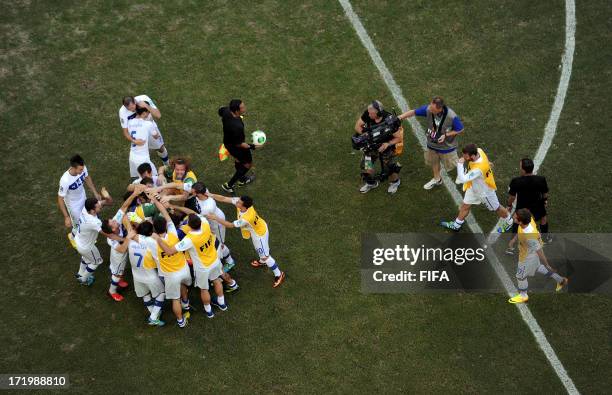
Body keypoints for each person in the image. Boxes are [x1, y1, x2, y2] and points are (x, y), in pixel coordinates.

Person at [155, 212, 228, 319]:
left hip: (203, 268)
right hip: (214, 261)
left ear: (189, 225)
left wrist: (158, 239)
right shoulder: (205, 224)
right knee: (216, 280)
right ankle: (222, 304)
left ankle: (209, 311)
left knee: (204, 289)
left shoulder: (189, 240)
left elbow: (170, 251)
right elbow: (197, 215)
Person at [207, 193, 286, 288]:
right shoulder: (241, 203)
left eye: (239, 202)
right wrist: (210, 194)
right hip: (257, 227)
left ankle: (278, 274)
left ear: (243, 206)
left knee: (266, 256)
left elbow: (230, 225)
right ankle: (262, 261)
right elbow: (224, 198)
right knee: (262, 254)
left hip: (259, 234)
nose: (237, 202)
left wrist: (215, 218)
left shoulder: (247, 218)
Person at [440, 144, 513, 232]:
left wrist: (460, 164)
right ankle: (456, 225)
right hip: (473, 187)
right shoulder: (479, 151)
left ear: (473, 156)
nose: (464, 158)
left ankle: (509, 221)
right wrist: (488, 164)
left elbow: (463, 178)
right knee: (465, 205)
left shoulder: (478, 169)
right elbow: (485, 161)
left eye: (466, 156)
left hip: (485, 193)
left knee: (497, 208)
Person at [145, 196, 192, 328]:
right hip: (183, 268)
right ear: (166, 226)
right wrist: (155, 200)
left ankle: (180, 321)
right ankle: (186, 303)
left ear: (154, 229)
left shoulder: (151, 242)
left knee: (174, 299)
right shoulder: (173, 233)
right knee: (183, 285)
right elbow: (165, 213)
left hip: (170, 274)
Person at [397, 96, 464, 190]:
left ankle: (464, 174)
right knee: (434, 161)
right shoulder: (429, 109)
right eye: (430, 107)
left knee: (453, 163)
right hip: (432, 143)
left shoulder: (451, 116)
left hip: (446, 146)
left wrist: (446, 135)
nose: (430, 110)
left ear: (440, 108)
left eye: (433, 109)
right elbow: (414, 112)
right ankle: (437, 179)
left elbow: (460, 129)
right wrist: (400, 117)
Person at [508, 209, 568, 304]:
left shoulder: (529, 236)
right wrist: (514, 239)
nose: (513, 217)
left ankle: (524, 296)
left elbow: (540, 251)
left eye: (515, 217)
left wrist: (547, 264)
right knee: (538, 267)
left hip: (527, 256)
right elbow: (521, 230)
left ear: (520, 221)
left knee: (520, 276)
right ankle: (561, 280)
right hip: (531, 251)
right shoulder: (528, 220)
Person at [100, 185, 147, 301]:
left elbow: (124, 206)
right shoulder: (112, 240)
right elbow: (121, 249)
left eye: (112, 220)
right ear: (113, 230)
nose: (115, 220)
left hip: (122, 249)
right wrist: (129, 238)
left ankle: (118, 279)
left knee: (116, 270)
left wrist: (134, 194)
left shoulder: (116, 220)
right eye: (113, 223)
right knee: (117, 273)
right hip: (119, 255)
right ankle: (112, 291)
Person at [354, 100, 404, 194]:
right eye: (368, 113)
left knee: (389, 169)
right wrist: (367, 136)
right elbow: (357, 126)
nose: (369, 115)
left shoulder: (389, 121)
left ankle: (395, 182)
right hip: (372, 145)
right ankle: (370, 183)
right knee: (366, 165)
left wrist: (387, 144)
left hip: (386, 147)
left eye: (371, 113)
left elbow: (399, 138)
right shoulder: (368, 113)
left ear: (379, 112)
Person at [124, 219, 166, 327]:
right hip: (149, 275)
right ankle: (153, 317)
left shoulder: (131, 240)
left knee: (145, 294)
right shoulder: (152, 242)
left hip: (136, 275)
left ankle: (154, 312)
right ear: (150, 233)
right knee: (161, 293)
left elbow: (127, 224)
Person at [505, 158, 551, 255]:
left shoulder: (516, 181)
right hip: (537, 206)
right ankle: (545, 237)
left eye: (520, 166)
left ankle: (511, 247)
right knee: (543, 218)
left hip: (522, 208)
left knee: (517, 223)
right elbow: (545, 194)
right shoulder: (541, 179)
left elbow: (512, 197)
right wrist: (545, 201)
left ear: (523, 170)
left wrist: (509, 205)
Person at [218, 99, 261, 193]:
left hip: (228, 143)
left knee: (238, 160)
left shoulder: (226, 112)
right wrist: (253, 146)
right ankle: (229, 185)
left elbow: (220, 110)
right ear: (237, 111)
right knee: (247, 164)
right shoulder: (237, 127)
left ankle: (241, 178)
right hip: (236, 146)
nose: (245, 108)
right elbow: (240, 144)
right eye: (242, 108)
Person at [73, 196, 116, 286]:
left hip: (78, 240)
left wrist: (107, 198)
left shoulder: (86, 209)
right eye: (98, 207)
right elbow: (107, 233)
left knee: (86, 258)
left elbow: (105, 202)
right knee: (96, 262)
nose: (100, 206)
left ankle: (80, 274)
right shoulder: (94, 222)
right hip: (86, 247)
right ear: (92, 211)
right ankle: (84, 280)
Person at [119, 95, 169, 166]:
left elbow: (158, 115)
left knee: (160, 148)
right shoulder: (122, 111)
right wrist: (134, 141)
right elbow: (125, 131)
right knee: (140, 155)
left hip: (150, 127)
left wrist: (146, 106)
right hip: (138, 132)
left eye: (132, 107)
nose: (132, 110)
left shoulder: (144, 99)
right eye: (129, 109)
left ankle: (167, 165)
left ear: (135, 102)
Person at [58, 154, 103, 230]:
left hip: (83, 197)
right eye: (80, 170)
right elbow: (60, 198)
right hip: (73, 205)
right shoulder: (65, 180)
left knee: (88, 215)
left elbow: (87, 178)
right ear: (73, 168)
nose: (82, 171)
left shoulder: (83, 168)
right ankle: (75, 237)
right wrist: (66, 217)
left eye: (82, 169)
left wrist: (95, 192)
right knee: (79, 226)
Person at [127, 105, 160, 178]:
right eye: (148, 112)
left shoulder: (129, 122)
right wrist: (152, 123)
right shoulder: (148, 124)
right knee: (154, 177)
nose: (149, 114)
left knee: (139, 177)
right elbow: (156, 136)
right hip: (143, 159)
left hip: (132, 155)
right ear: (144, 113)